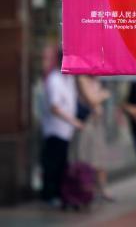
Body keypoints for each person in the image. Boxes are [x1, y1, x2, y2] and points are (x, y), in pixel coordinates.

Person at [41, 51, 82, 206]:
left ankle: (60, 193)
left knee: (62, 164)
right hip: (55, 131)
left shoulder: (69, 79)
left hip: (66, 131)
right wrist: (73, 121)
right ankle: (49, 195)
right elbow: (55, 108)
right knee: (53, 164)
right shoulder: (54, 80)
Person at [76, 75, 114, 201]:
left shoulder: (97, 79)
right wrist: (102, 95)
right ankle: (87, 188)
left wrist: (100, 96)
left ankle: (101, 188)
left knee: (101, 157)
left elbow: (99, 97)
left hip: (98, 123)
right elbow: (92, 100)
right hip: (87, 123)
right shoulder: (82, 78)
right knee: (87, 157)